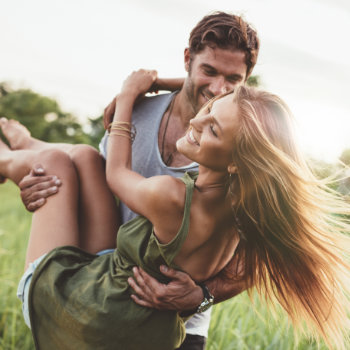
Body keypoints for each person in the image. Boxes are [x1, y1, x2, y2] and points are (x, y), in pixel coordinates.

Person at [1, 70, 350, 350]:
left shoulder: (172, 197)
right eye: (208, 110)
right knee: (85, 156)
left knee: (54, 162)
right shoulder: (246, 211)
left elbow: (117, 173)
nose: (196, 124)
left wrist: (127, 97)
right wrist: (173, 85)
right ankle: (24, 143)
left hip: (88, 317)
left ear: (236, 161)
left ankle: (7, 160)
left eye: (212, 129)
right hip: (132, 315)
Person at [16, 11, 260, 349]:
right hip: (108, 273)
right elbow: (97, 182)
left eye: (234, 79)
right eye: (209, 70)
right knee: (77, 158)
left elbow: (262, 261)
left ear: (246, 82)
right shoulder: (140, 115)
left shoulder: (242, 160)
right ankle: (22, 150)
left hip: (173, 323)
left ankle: (20, 150)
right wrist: (38, 189)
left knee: (57, 160)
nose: (220, 89)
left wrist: (200, 296)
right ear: (187, 60)